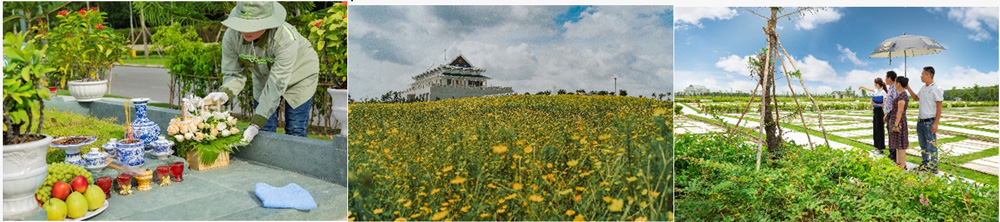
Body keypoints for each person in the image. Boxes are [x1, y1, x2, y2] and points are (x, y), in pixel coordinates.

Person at [205, 2, 320, 142]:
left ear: (268, 23)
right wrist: (224, 93)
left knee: (295, 129)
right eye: (242, 24)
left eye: (253, 26)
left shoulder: (285, 39)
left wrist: (256, 123)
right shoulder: (232, 37)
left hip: (300, 75)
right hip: (264, 76)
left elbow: (277, 83)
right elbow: (233, 73)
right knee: (264, 129)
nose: (246, 30)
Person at [904, 66, 944, 174]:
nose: (920, 76)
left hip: (930, 122)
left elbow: (939, 106)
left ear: (927, 75)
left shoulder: (937, 88)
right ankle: (925, 164)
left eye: (922, 74)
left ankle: (934, 167)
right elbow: (916, 98)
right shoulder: (923, 88)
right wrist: (908, 88)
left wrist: (936, 123)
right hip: (920, 122)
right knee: (923, 145)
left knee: (932, 145)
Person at [859, 78, 888, 153]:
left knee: (880, 130)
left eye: (875, 83)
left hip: (879, 112)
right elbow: (870, 89)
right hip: (875, 111)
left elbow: (884, 104)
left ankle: (880, 147)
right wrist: (862, 87)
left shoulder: (883, 92)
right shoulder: (877, 91)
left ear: (878, 84)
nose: (874, 85)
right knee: (875, 129)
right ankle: (876, 147)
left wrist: (874, 104)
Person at [888, 76, 910, 169]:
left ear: (899, 84)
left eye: (896, 82)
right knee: (897, 144)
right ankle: (898, 163)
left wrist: (896, 124)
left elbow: (900, 111)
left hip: (899, 122)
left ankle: (902, 164)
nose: (895, 84)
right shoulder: (900, 94)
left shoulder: (902, 96)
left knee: (901, 144)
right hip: (896, 121)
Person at [882, 71, 898, 161]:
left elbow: (895, 103)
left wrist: (892, 116)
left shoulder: (894, 89)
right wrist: (886, 114)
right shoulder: (890, 88)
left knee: (893, 135)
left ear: (889, 78)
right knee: (890, 135)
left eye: (886, 77)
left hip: (892, 115)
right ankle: (891, 153)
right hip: (889, 114)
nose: (885, 79)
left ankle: (894, 155)